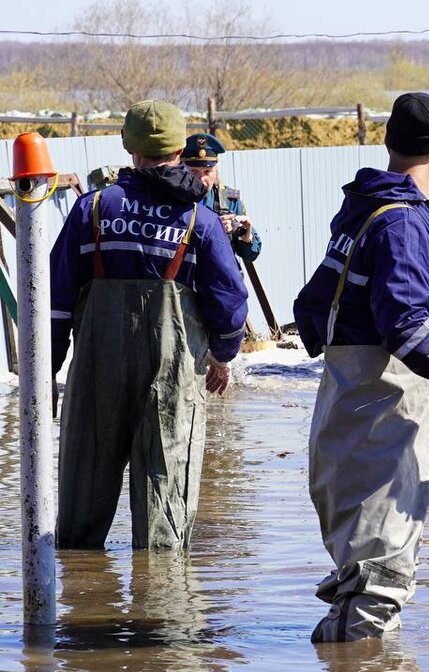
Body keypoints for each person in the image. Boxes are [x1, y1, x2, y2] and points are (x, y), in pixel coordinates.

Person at [293, 92, 429, 643]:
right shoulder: (405, 224)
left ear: (390, 144)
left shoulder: (362, 207)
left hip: (346, 414)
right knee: (380, 576)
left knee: (359, 566)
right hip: (379, 425)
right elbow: (407, 327)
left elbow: (313, 309)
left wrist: (427, 386)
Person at [50, 100, 249, 549]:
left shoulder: (92, 209)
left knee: (83, 492)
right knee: (166, 496)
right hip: (171, 379)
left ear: (128, 147)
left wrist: (48, 368)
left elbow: (56, 299)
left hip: (97, 374)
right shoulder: (200, 218)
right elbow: (231, 302)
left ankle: (80, 597)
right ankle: (159, 611)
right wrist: (222, 355)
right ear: (181, 149)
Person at [182, 132, 262, 263]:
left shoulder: (229, 201)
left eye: (207, 172)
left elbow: (251, 255)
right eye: (193, 171)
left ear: (216, 170)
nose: (201, 179)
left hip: (218, 278)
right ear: (182, 169)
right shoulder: (171, 199)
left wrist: (243, 235)